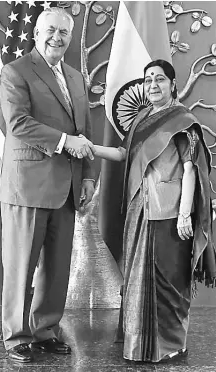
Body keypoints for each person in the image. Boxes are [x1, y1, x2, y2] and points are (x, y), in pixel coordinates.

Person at [92, 60, 216, 363]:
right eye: (148, 80)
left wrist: (185, 213)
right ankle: (140, 346)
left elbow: (191, 170)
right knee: (137, 278)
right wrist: (90, 147)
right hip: (140, 210)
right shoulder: (141, 120)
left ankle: (171, 344)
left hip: (170, 213)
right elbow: (123, 154)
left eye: (160, 79)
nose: (153, 85)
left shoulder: (183, 121)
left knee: (169, 279)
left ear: (172, 84)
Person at [0, 7, 95, 363]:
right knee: (22, 265)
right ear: (36, 32)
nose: (57, 37)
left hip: (67, 187)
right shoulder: (15, 71)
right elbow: (19, 124)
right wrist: (66, 141)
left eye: (64, 33)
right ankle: (16, 336)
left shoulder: (76, 77)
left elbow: (86, 130)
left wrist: (87, 176)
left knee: (56, 267)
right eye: (51, 30)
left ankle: (44, 331)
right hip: (27, 185)